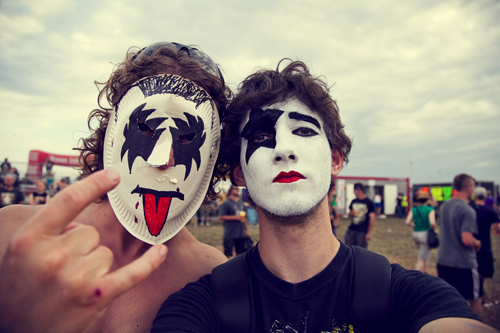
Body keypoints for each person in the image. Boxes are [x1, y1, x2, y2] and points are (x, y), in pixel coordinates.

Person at [152, 60, 496, 332]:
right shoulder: (200, 306)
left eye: (303, 131)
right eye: (259, 137)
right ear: (239, 172)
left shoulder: (407, 294)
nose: (284, 150)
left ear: (335, 159)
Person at [0, 42, 229, 332]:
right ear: (111, 128)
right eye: (145, 128)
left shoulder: (209, 274)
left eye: (186, 138)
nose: (162, 159)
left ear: (213, 152)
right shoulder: (12, 234)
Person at [437, 173, 482, 315]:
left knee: (449, 299)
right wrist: (477, 243)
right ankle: (473, 327)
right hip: (463, 263)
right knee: (475, 297)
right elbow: (467, 240)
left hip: (443, 261)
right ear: (469, 188)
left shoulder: (444, 206)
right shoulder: (467, 210)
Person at [470, 186, 500, 315]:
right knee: (481, 272)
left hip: (470, 246)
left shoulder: (469, 209)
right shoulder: (489, 211)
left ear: (474, 196)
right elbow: (497, 228)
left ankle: (474, 293)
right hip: (484, 245)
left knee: (472, 270)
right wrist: (493, 230)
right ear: (486, 197)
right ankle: (479, 293)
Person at [405, 191, 437, 273]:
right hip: (425, 234)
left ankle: (425, 271)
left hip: (415, 234)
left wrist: (414, 226)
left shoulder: (414, 209)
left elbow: (407, 222)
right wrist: (433, 229)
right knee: (421, 258)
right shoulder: (430, 209)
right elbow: (432, 223)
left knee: (424, 253)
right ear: (428, 199)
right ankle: (416, 275)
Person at [218, 185, 248, 258]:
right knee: (227, 254)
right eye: (236, 188)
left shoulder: (241, 203)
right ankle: (227, 268)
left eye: (238, 189)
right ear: (231, 190)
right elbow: (221, 217)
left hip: (240, 232)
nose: (238, 190)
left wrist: (246, 231)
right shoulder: (226, 203)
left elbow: (245, 218)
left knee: (239, 253)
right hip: (230, 232)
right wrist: (235, 217)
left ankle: (236, 267)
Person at [345, 183, 375, 248]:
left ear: (359, 191)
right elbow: (350, 214)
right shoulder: (354, 201)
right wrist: (351, 213)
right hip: (352, 229)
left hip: (362, 231)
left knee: (360, 251)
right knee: (349, 248)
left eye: (354, 190)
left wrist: (369, 233)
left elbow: (372, 218)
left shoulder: (369, 202)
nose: (354, 192)